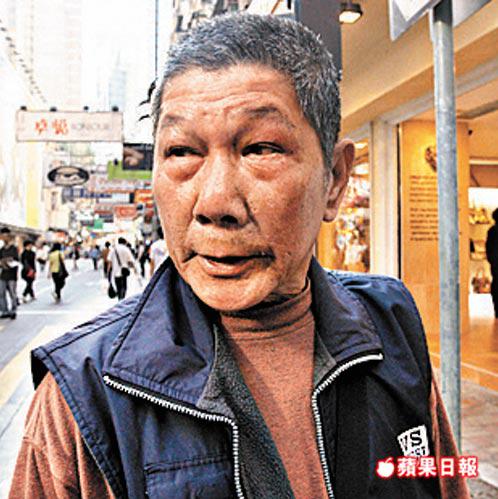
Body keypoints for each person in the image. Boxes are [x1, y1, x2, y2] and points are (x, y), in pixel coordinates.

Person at [10, 14, 467, 499]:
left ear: (334, 180)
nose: (214, 203)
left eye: (260, 149)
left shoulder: (389, 326)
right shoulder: (84, 396)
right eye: (182, 152)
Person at [0, 227, 19, 319]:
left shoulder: (14, 249)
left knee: (12, 294)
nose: (4, 238)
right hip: (3, 275)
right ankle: (4, 311)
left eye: (5, 236)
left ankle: (13, 310)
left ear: (9, 236)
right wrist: (3, 262)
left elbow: (16, 261)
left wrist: (7, 261)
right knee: (1, 293)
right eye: (2, 236)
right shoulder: (2, 249)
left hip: (12, 275)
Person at [486, 208, 498, 318]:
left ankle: (497, 309)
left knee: (496, 284)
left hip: (495, 262)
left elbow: (488, 248)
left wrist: (491, 260)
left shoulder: (492, 231)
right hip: (495, 261)